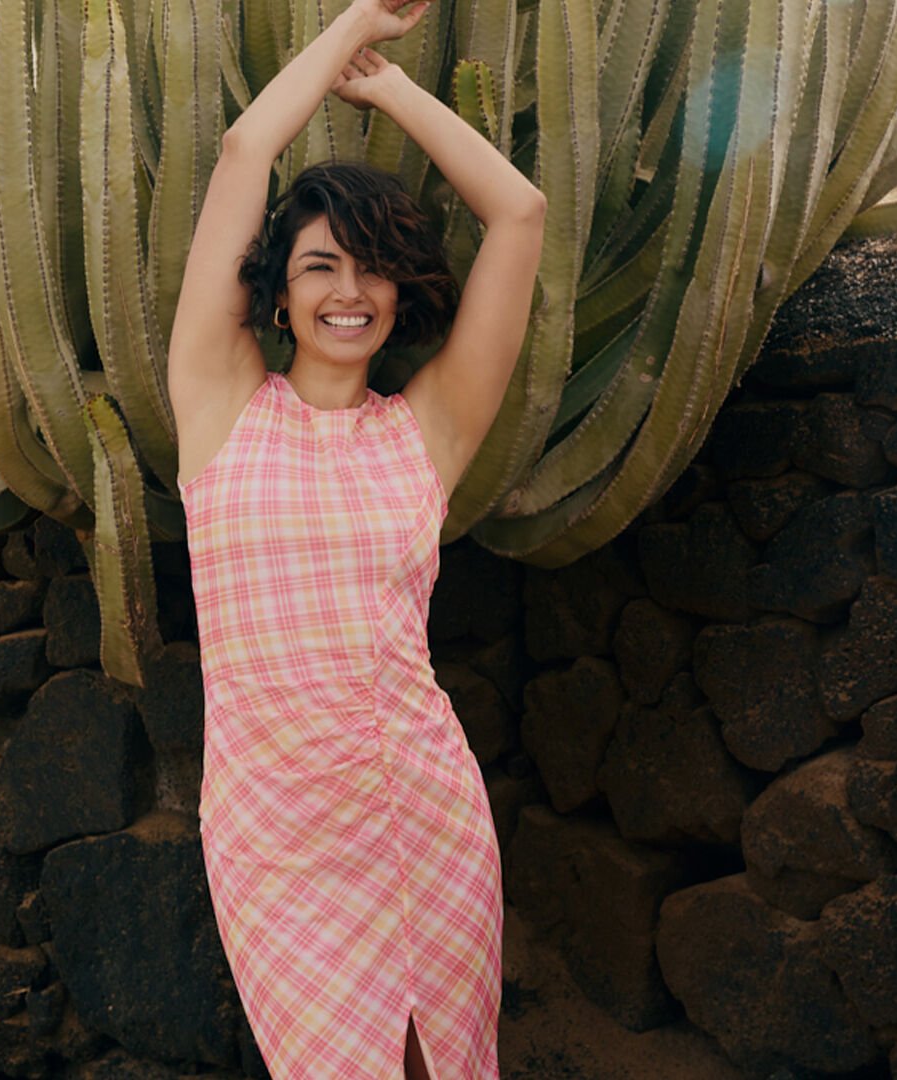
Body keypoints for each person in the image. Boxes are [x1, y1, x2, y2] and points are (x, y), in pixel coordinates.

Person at [167, 0, 545, 1075]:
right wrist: (344, 35)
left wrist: (388, 88)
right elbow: (247, 150)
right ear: (279, 296)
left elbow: (518, 213)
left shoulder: (429, 429)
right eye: (322, 265)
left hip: (423, 806)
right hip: (274, 833)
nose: (350, 291)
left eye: (373, 268)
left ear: (400, 293)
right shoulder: (219, 402)